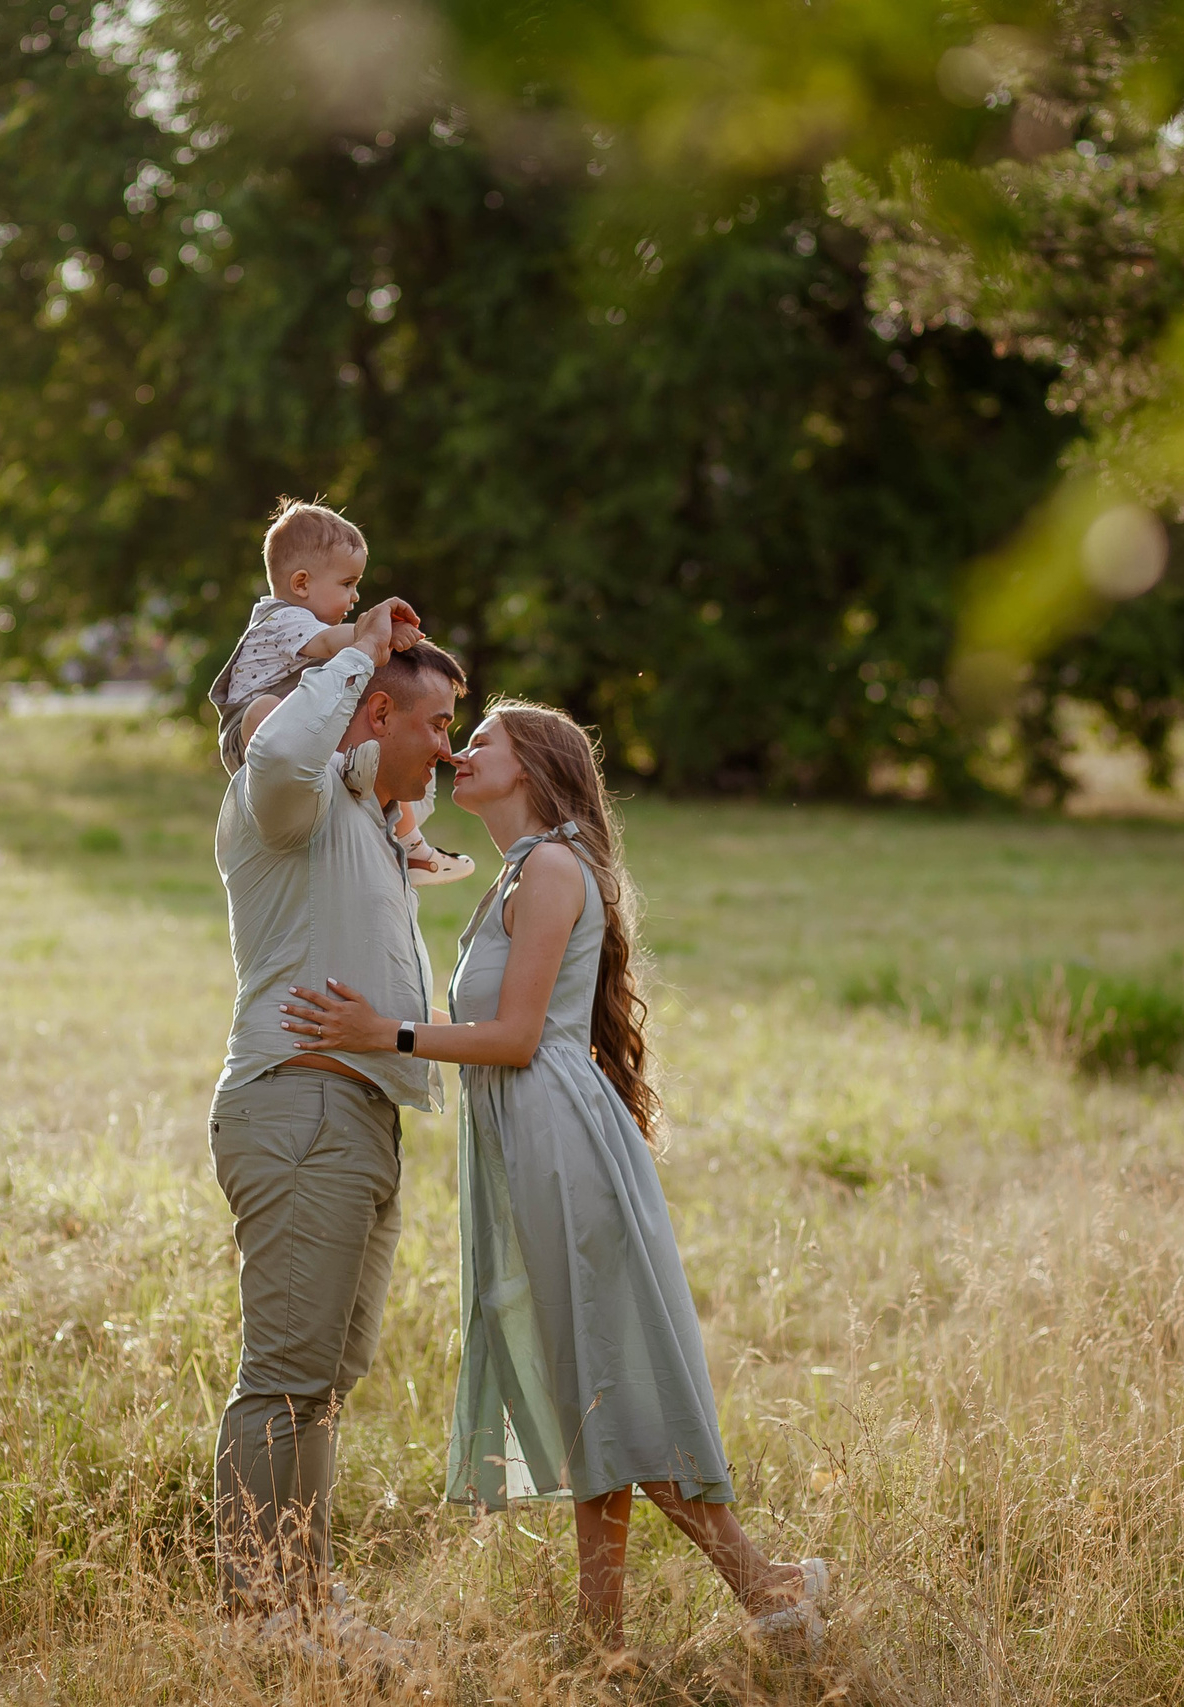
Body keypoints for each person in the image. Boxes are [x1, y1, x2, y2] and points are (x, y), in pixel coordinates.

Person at [280, 701, 829, 1657]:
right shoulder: (514, 875)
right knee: (590, 1381)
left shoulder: (552, 868)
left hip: (561, 1143)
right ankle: (604, 1634)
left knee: (612, 1379)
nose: (460, 750)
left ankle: (765, 1584)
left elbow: (518, 1036)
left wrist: (386, 1035)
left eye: (480, 740)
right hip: (528, 1140)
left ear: (532, 766)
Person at [207, 590, 468, 1673]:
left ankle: (306, 1600)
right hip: (300, 1105)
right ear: (373, 713)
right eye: (439, 724)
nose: (448, 749)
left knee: (322, 1379)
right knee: (283, 1378)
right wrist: (352, 657)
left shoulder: (361, 815)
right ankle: (263, 1617)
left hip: (356, 1113)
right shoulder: (287, 798)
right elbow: (277, 758)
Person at [206, 498, 475, 885]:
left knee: (375, 734)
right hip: (248, 736)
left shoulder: (303, 619)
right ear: (301, 583)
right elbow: (334, 643)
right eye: (347, 584)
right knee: (264, 707)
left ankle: (411, 845)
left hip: (296, 733)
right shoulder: (281, 620)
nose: (355, 597)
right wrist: (377, 630)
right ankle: (343, 773)